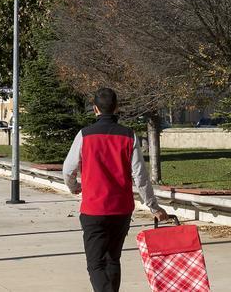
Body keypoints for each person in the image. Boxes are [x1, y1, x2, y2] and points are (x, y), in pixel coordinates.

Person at [63, 88, 167, 292]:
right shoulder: (129, 136)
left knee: (96, 264)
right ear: (117, 107)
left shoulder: (84, 135)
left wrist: (75, 187)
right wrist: (153, 206)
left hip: (93, 208)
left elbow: (68, 169)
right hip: (121, 210)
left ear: (95, 109)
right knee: (113, 259)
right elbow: (140, 175)